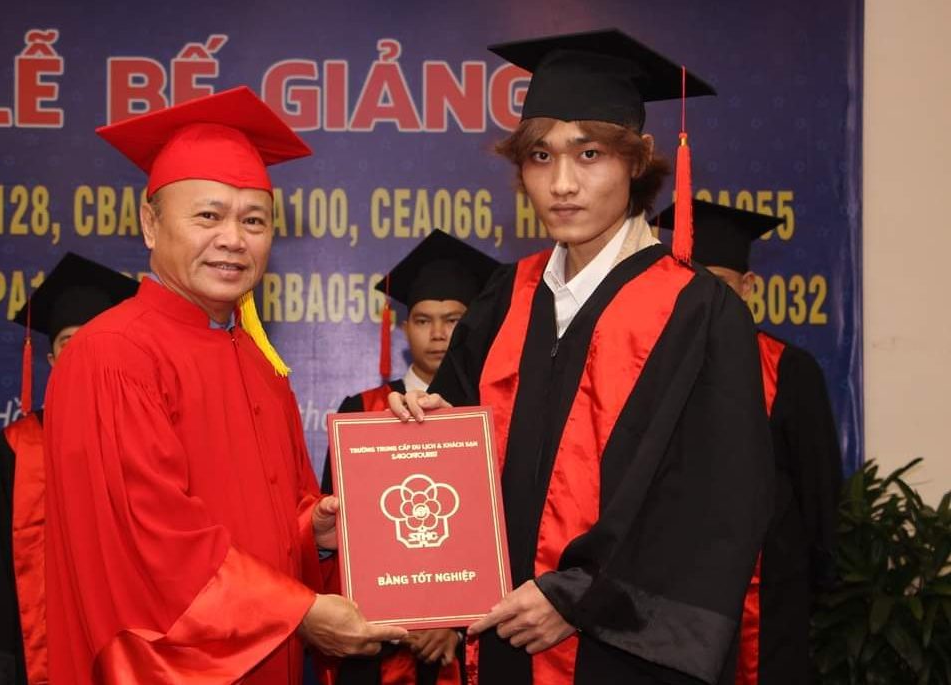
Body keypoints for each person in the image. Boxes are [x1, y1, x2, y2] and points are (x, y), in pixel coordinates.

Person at [389, 30, 775, 684]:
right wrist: (420, 430)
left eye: (589, 153)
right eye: (540, 156)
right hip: (500, 636)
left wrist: (581, 598)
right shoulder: (504, 298)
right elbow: (455, 462)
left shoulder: (700, 312)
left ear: (637, 160)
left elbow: (720, 505)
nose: (562, 184)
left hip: (620, 654)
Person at [42, 86, 405, 685]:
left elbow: (264, 520)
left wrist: (313, 534)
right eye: (208, 216)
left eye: (253, 220)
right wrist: (300, 610)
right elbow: (153, 541)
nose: (234, 239)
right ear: (151, 224)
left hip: (266, 656)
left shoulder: (258, 361)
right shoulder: (113, 355)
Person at [654, 199, 843, 685]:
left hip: (770, 585)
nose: (704, 297)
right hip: (671, 589)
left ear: (748, 286)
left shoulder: (788, 369)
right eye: (690, 283)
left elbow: (817, 483)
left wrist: (820, 571)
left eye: (718, 283)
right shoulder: (648, 368)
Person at [0, 252, 139, 685]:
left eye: (96, 339)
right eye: (68, 342)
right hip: (35, 658)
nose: (82, 353)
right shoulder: (15, 449)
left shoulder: (150, 441)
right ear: (51, 361)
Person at [322, 229, 498, 684]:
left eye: (453, 319)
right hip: (375, 645)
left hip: (472, 647)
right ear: (404, 329)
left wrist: (456, 624)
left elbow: (500, 533)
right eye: (423, 320)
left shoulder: (493, 413)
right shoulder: (361, 410)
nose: (438, 334)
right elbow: (337, 533)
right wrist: (395, 615)